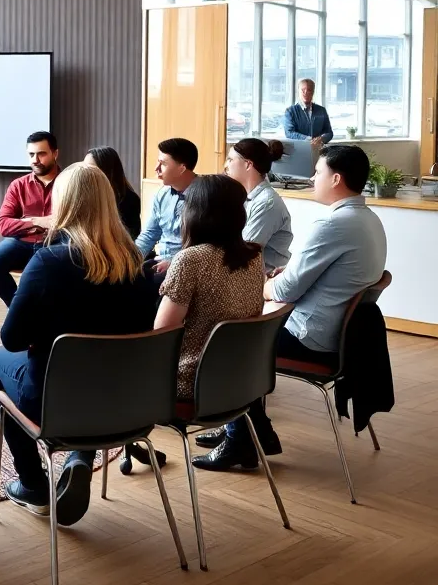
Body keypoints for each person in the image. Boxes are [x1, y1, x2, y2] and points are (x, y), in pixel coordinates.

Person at [194, 144, 387, 471]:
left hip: (313, 338)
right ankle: (257, 432)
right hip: (342, 334)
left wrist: (264, 285)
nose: (313, 177)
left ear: (336, 178)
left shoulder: (333, 224)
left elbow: (285, 290)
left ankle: (241, 438)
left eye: (318, 172)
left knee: (229, 343)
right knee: (244, 335)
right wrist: (288, 274)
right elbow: (321, 275)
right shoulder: (368, 219)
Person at [0, 163, 156, 525]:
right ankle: (81, 453)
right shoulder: (139, 266)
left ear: (63, 205)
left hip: (54, 404)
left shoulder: (47, 262)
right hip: (125, 402)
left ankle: (34, 485)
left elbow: (12, 338)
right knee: (95, 368)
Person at [154, 174, 265, 403]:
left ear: (195, 212)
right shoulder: (254, 255)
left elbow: (162, 333)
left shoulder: (190, 259)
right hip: (239, 374)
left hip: (189, 379)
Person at [0, 131, 61, 306]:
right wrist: (36, 222)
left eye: (41, 154)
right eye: (31, 154)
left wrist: (23, 222)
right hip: (22, 242)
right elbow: (3, 225)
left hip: (55, 244)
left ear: (55, 153)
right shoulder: (18, 185)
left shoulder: (70, 183)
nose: (35, 160)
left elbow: (70, 222)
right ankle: (20, 311)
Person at [224, 138, 293, 272]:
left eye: (230, 160)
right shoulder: (242, 196)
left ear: (248, 164)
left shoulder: (267, 203)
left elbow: (244, 250)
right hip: (244, 274)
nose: (226, 165)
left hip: (264, 280)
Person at [135, 138, 198, 274]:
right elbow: (150, 234)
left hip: (188, 266)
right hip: (160, 261)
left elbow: (207, 245)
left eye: (163, 164)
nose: (156, 169)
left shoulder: (205, 195)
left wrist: (173, 262)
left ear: (181, 168)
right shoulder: (162, 194)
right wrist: (130, 259)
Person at [84, 146, 142, 238]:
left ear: (106, 171)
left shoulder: (129, 200)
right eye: (84, 168)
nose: (85, 173)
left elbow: (131, 237)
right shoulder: (84, 195)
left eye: (91, 169)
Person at [283, 78, 334, 147]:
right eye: (303, 90)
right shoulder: (290, 111)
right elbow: (289, 133)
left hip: (318, 151)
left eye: (309, 90)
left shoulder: (322, 110)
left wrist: (322, 139)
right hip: (299, 150)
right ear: (298, 92)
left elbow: (329, 132)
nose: (306, 92)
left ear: (313, 92)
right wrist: (309, 139)